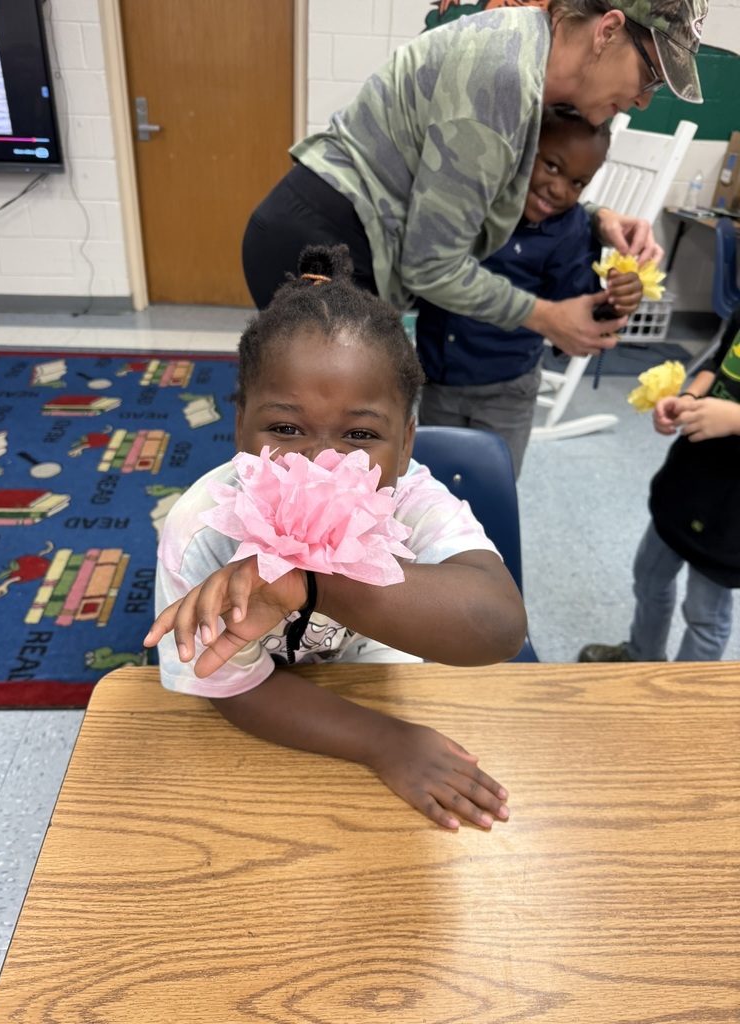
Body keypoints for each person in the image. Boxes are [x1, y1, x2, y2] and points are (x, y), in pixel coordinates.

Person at [144, 246, 528, 832]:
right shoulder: (202, 531)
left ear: (405, 446)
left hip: (381, 681)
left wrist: (316, 584)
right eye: (286, 428)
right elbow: (232, 686)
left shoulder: (411, 498)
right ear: (239, 426)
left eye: (360, 433)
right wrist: (383, 742)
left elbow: (499, 626)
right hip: (270, 727)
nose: (322, 464)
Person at [242, 0, 705, 359]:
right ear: (607, 31)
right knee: (337, 442)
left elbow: (493, 186)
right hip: (325, 244)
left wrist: (597, 217)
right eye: (649, 78)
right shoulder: (502, 78)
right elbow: (432, 267)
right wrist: (546, 317)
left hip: (335, 230)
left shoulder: (526, 53)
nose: (644, 101)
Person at [415, 105, 644, 477]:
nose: (559, 189)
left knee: (493, 484)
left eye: (577, 183)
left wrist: (618, 298)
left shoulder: (570, 232)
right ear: (522, 152)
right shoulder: (473, 201)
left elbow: (582, 313)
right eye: (552, 166)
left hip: (506, 391)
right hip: (437, 379)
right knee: (431, 482)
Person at [579, 306, 740, 663]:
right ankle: (642, 656)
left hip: (731, 513)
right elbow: (717, 361)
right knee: (648, 577)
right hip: (690, 477)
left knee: (705, 614)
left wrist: (734, 418)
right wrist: (690, 399)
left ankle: (682, 702)